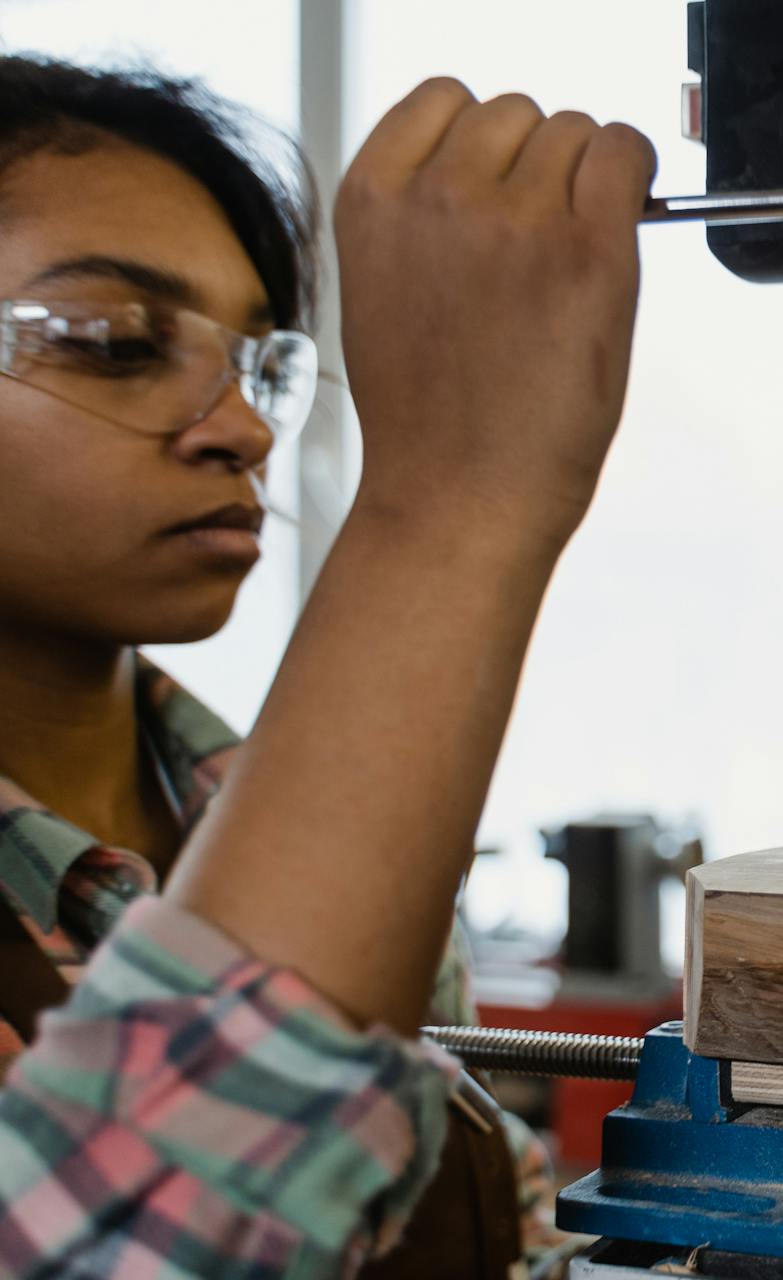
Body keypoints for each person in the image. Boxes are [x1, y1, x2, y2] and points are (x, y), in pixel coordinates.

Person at [0, 57, 656, 1276]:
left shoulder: (288, 814)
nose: (243, 429)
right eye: (114, 341)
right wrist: (451, 501)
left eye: (258, 362)